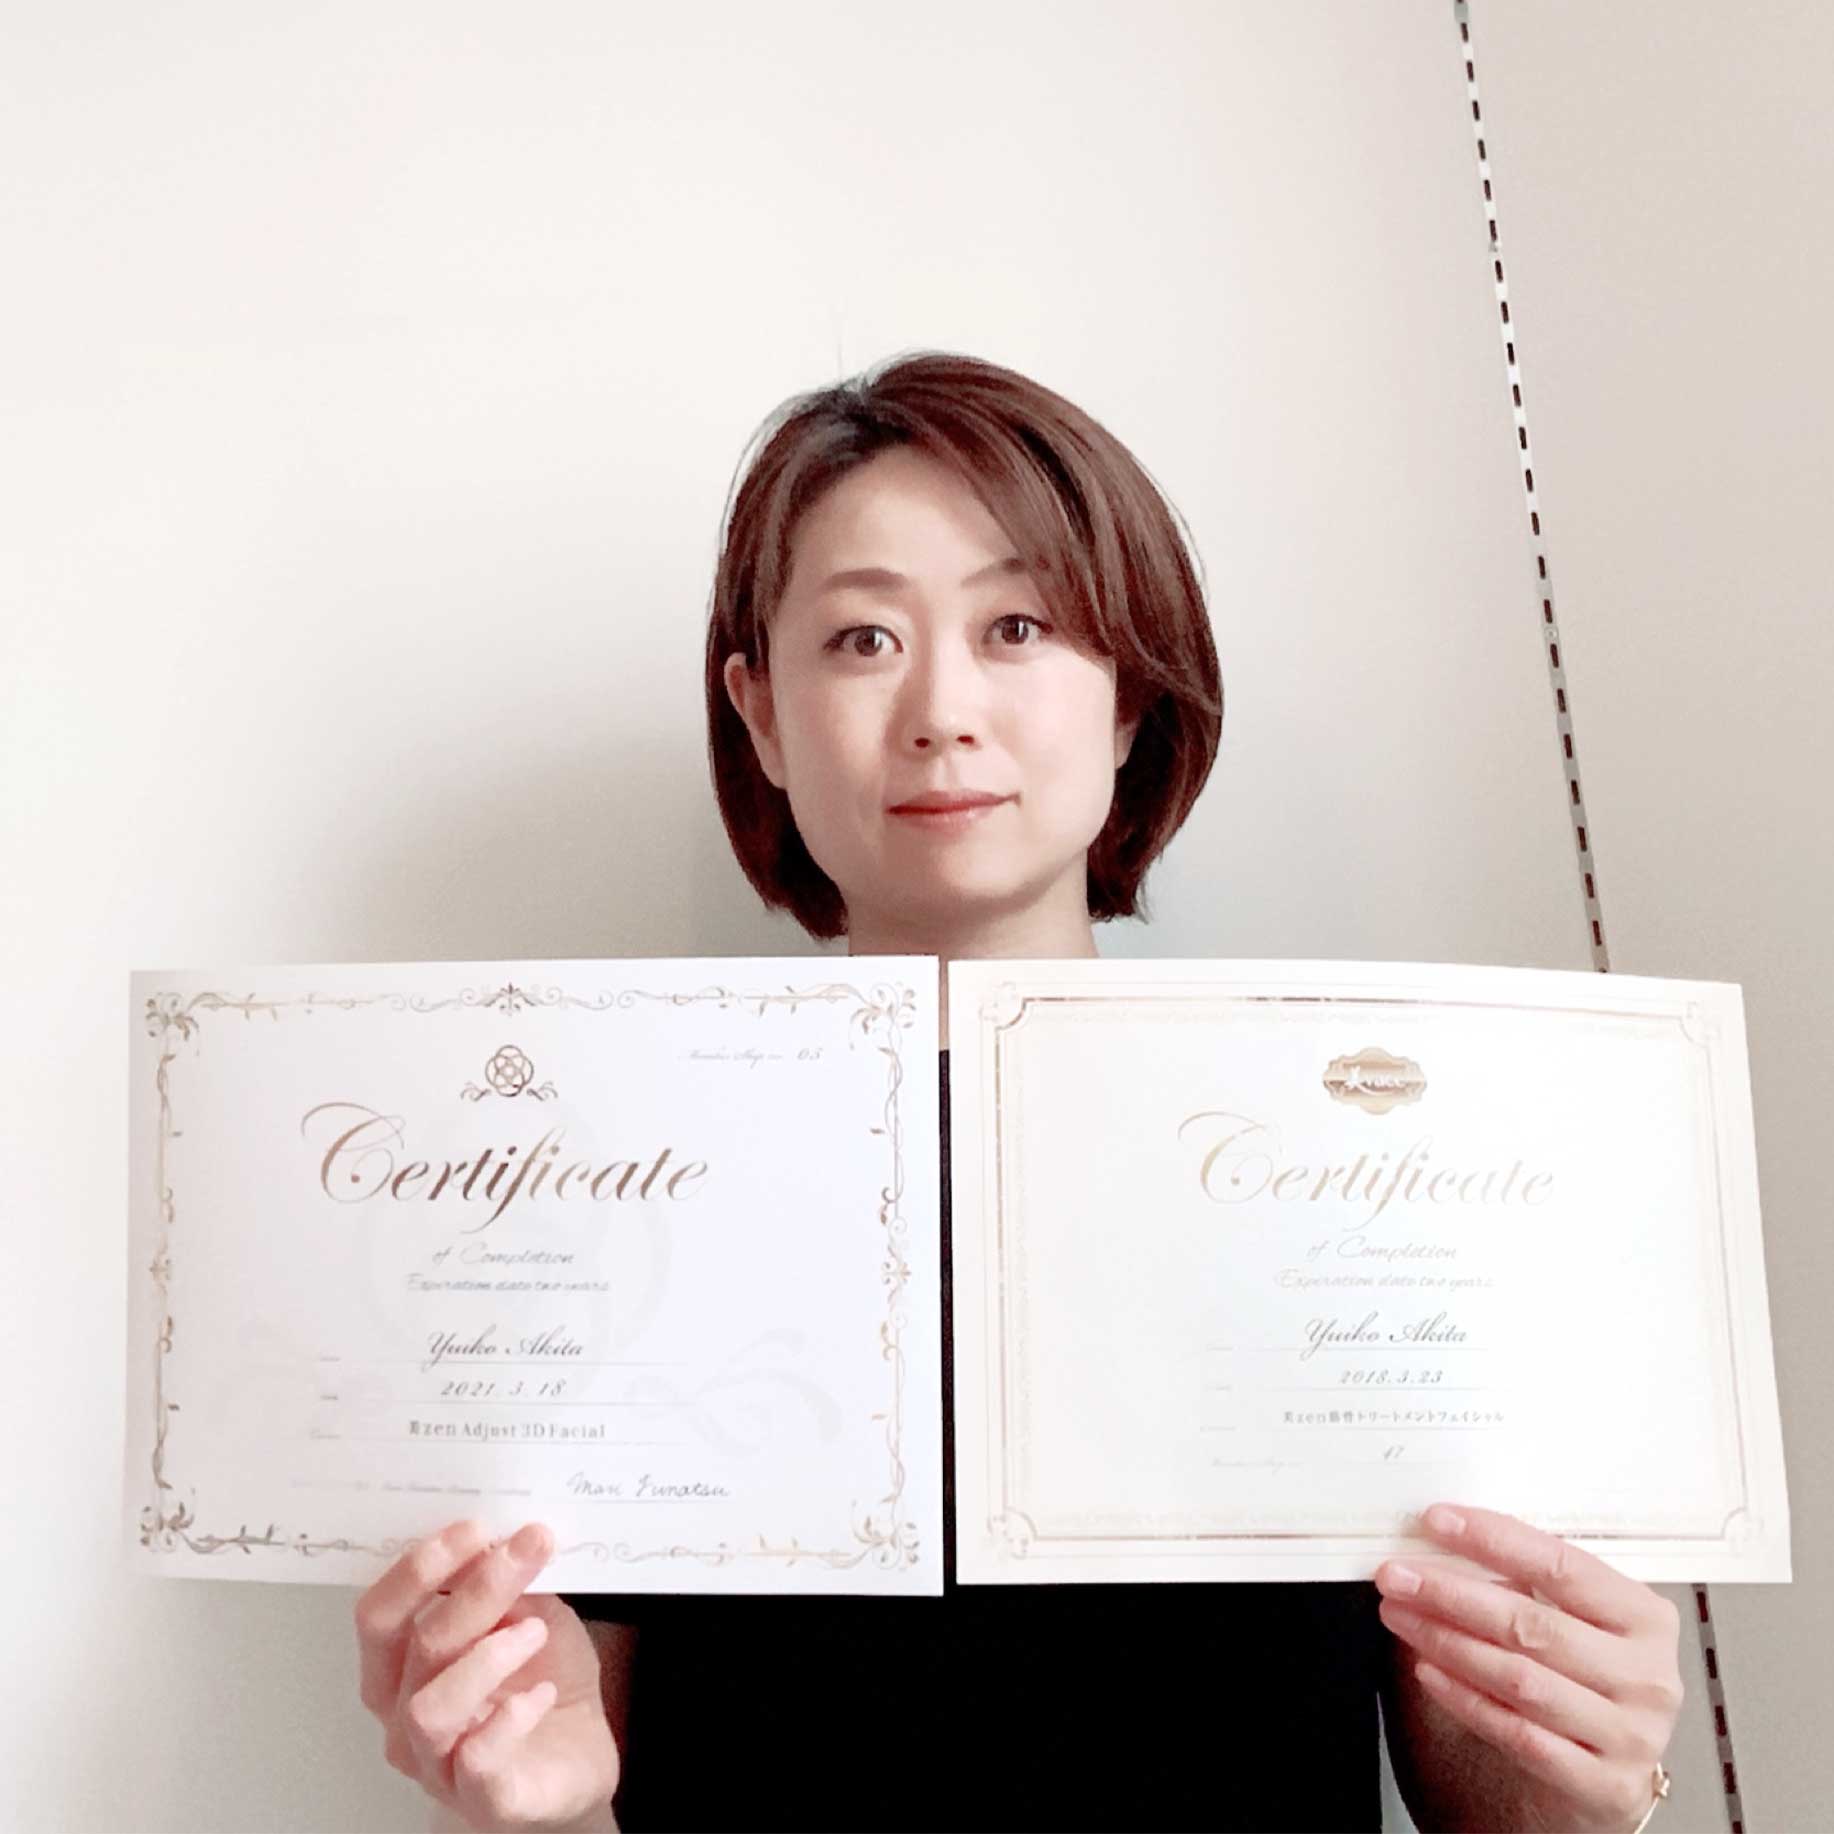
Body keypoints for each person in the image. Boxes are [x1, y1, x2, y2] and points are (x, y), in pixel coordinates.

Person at [355, 352, 1685, 1833]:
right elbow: (576, 1765)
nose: (941, 709)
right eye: (862, 637)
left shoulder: (1357, 1161)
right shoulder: (617, 1178)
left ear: (1127, 696)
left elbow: (1492, 1794)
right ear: (762, 713)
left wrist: (1586, 1766)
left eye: (1017, 626)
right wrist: (524, 1797)